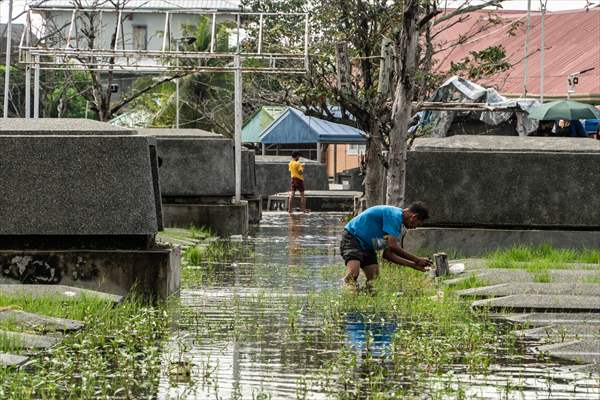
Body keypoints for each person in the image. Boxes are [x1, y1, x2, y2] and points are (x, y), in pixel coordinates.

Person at [340, 203, 433, 290]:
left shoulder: (397, 221)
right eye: (417, 224)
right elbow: (393, 246)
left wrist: (413, 265)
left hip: (370, 243)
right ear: (414, 217)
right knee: (353, 274)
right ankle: (343, 291)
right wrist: (417, 260)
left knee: (374, 280)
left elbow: (387, 254)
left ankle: (365, 299)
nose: (415, 228)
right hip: (353, 237)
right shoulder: (395, 216)